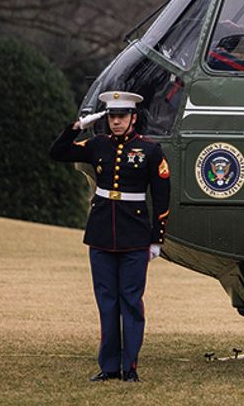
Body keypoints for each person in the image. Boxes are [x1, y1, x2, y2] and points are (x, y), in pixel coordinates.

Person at [49, 90, 170, 383]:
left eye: (122, 116)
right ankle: (109, 366)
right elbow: (57, 153)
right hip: (102, 233)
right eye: (112, 116)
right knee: (107, 302)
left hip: (135, 235)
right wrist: (76, 127)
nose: (116, 122)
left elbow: (163, 195)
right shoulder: (97, 144)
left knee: (130, 301)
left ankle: (130, 367)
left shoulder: (150, 150)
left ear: (133, 118)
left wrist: (157, 239)